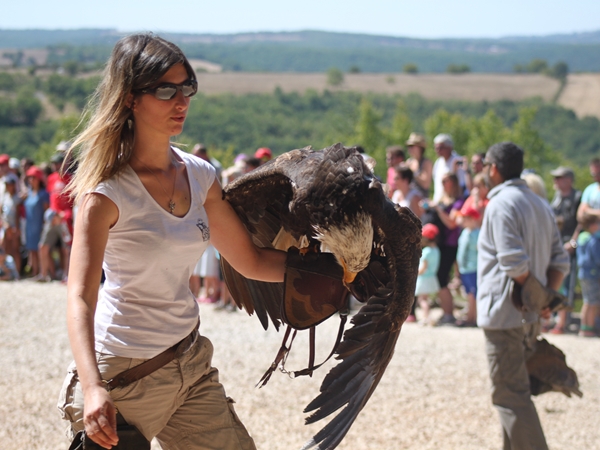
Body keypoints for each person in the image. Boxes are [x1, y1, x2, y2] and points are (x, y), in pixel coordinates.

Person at [57, 34, 286, 450]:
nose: (181, 101)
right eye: (165, 89)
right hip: (125, 376)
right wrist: (92, 387)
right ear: (130, 98)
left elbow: (250, 260)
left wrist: (335, 269)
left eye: (187, 87)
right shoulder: (106, 193)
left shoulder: (201, 176)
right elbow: (80, 296)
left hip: (190, 362)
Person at [477, 142, 570, 450]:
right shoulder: (540, 204)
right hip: (528, 317)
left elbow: (513, 263)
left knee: (509, 396)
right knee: (515, 392)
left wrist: (539, 298)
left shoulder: (502, 204)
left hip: (505, 315)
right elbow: (560, 261)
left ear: (494, 169)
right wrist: (545, 299)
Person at [425, 172, 465, 325]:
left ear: (454, 182)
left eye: (446, 181)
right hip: (440, 243)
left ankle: (449, 313)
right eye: (441, 181)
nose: (443, 184)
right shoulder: (442, 199)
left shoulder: (458, 202)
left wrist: (438, 209)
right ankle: (446, 312)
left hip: (451, 244)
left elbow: (451, 223)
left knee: (441, 278)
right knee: (439, 278)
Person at [549, 166, 581, 334]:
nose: (555, 181)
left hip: (571, 246)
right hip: (558, 245)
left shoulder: (577, 197)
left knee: (568, 283)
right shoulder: (557, 198)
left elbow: (580, 222)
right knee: (556, 283)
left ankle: (563, 321)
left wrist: (573, 243)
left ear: (568, 179)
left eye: (559, 178)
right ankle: (554, 318)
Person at [575, 213, 600, 337]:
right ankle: (589, 328)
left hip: (583, 272)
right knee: (593, 302)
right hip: (593, 273)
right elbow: (597, 258)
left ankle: (584, 327)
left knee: (587, 301)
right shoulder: (594, 239)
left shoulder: (581, 237)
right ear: (593, 225)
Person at [455, 205, 480, 327]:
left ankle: (472, 318)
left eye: (465, 218)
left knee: (473, 294)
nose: (462, 220)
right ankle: (470, 316)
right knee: (469, 294)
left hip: (473, 268)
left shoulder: (478, 234)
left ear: (472, 219)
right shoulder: (464, 232)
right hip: (464, 268)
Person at [23, 166, 48, 277]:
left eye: (33, 177)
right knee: (31, 249)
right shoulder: (28, 193)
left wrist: (44, 225)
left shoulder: (43, 194)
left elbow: (46, 210)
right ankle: (34, 272)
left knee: (40, 249)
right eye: (29, 177)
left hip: (39, 225)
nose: (31, 180)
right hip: (29, 225)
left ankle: (44, 272)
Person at [415, 223, 441, 325]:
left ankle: (426, 318)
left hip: (424, 279)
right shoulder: (436, 250)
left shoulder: (426, 252)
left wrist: (415, 274)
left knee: (422, 300)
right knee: (426, 298)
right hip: (432, 277)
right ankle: (427, 317)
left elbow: (423, 268)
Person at [431, 133, 466, 203]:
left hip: (453, 203)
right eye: (436, 148)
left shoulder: (458, 161)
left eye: (440, 148)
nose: (438, 150)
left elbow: (462, 183)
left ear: (449, 147)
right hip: (439, 201)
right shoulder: (438, 163)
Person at [1, 173, 21, 273]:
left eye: (10, 184)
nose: (8, 186)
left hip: (14, 226)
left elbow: (17, 215)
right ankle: (8, 271)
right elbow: (2, 212)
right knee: (6, 249)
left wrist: (16, 228)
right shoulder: (4, 197)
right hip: (6, 225)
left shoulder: (17, 198)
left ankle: (17, 272)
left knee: (15, 250)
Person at [405, 132, 432, 198]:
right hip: (409, 198)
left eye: (412, 146)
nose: (409, 149)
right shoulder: (409, 161)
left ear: (420, 148)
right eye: (408, 146)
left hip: (421, 200)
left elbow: (425, 184)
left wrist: (412, 171)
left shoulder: (426, 163)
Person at [577, 157, 600, 223]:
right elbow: (581, 213)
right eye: (593, 174)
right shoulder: (590, 189)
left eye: (598, 173)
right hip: (591, 230)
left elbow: (585, 210)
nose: (596, 176)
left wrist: (588, 211)